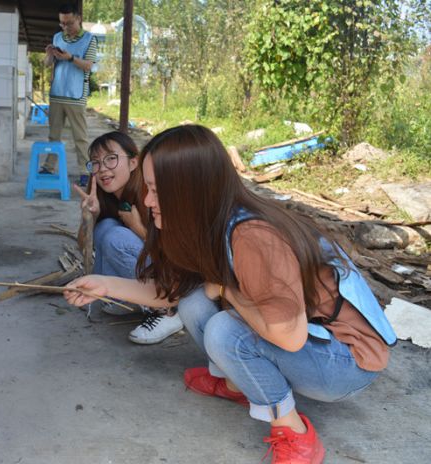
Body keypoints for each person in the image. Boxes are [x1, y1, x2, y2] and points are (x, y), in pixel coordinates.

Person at [64, 125, 396, 463]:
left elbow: (289, 336)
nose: (147, 201)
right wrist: (104, 285)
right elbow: (169, 293)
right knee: (193, 300)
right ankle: (237, 384)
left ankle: (296, 434)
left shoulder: (251, 234)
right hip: (313, 341)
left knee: (226, 332)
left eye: (155, 190)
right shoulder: (207, 222)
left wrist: (227, 291)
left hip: (347, 363)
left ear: (189, 190)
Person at [74, 131, 183, 344]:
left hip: (177, 279)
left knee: (115, 237)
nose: (103, 168)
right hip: (153, 270)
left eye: (111, 159)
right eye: (95, 163)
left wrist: (136, 226)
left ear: (134, 162)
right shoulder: (107, 198)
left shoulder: (150, 192)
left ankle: (167, 311)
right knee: (104, 228)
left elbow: (177, 253)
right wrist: (89, 217)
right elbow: (83, 247)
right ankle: (132, 299)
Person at [39, 3, 98, 187]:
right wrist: (49, 54)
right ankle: (49, 167)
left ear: (78, 19)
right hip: (57, 94)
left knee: (80, 137)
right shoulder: (57, 37)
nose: (65, 27)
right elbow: (48, 64)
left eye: (69, 23)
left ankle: (85, 172)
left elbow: (88, 65)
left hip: (76, 95)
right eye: (62, 24)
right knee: (53, 135)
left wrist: (70, 58)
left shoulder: (89, 39)